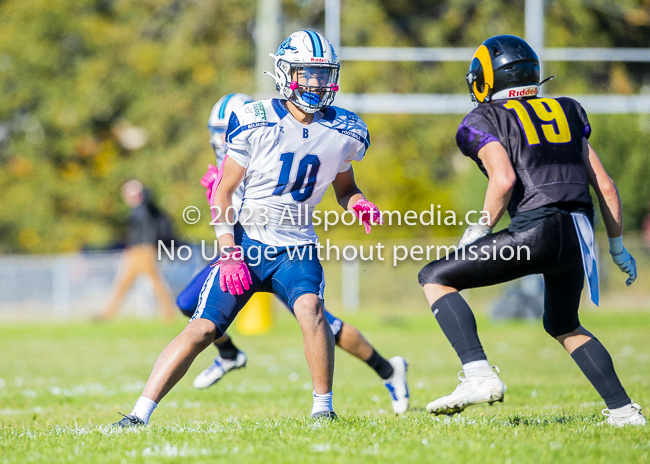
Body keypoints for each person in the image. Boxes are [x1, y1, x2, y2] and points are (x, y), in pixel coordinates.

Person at [114, 30, 391, 426]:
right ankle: (139, 415)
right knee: (201, 328)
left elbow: (346, 187)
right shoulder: (254, 119)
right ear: (284, 73)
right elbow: (223, 192)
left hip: (297, 247)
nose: (315, 84)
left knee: (311, 310)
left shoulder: (346, 130)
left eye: (322, 74)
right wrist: (228, 249)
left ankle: (323, 410)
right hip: (248, 244)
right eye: (306, 73)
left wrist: (358, 202)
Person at [417, 35, 645, 426]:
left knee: (434, 277)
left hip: (536, 231)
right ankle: (625, 412)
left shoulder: (483, 118)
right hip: (579, 234)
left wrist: (480, 226)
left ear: (486, 79)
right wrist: (619, 246)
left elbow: (503, 179)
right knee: (563, 323)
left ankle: (478, 375)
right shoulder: (569, 110)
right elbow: (605, 185)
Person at [177, 92, 408, 415]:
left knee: (320, 321)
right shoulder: (235, 148)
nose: (220, 138)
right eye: (217, 131)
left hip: (284, 248)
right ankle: (229, 354)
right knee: (188, 303)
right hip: (246, 248)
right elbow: (226, 203)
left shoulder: (263, 136)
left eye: (224, 129)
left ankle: (388, 370)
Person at [99, 180, 176, 321]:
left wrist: (140, 190)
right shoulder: (134, 210)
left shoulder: (145, 207)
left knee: (156, 283)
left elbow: (149, 198)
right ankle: (107, 313)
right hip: (134, 251)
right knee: (123, 283)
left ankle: (169, 313)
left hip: (145, 250)